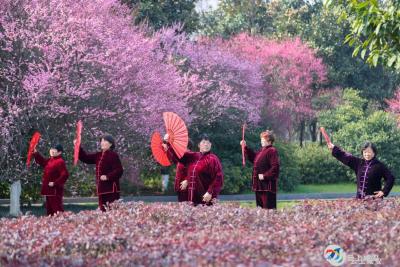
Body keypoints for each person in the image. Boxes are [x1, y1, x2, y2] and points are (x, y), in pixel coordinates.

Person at [163, 134, 223, 205]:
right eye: (203, 142)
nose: (206, 145)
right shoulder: (193, 156)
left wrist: (210, 192)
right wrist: (168, 142)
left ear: (211, 145)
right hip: (191, 195)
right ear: (199, 145)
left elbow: (218, 178)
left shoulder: (213, 159)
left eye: (208, 143)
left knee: (204, 214)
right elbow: (179, 156)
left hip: (205, 195)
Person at [327, 141, 395, 199]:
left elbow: (390, 178)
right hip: (359, 199)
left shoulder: (379, 166)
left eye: (369, 152)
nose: (367, 154)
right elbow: (346, 157)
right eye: (365, 152)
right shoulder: (359, 163)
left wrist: (384, 191)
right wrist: (334, 148)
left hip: (375, 200)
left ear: (374, 153)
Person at [75, 135, 123, 211]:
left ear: (110, 144)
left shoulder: (113, 155)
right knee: (102, 211)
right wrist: (78, 146)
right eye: (101, 141)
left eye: (105, 141)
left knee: (112, 212)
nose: (102, 143)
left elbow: (119, 170)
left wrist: (107, 177)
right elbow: (85, 158)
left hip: (111, 190)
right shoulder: (98, 155)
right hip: (101, 189)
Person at [241, 130, 280, 209]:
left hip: (267, 187)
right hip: (259, 186)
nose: (261, 141)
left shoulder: (272, 151)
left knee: (268, 211)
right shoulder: (262, 151)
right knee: (260, 211)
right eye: (261, 139)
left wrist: (265, 176)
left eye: (263, 139)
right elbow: (254, 158)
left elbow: (275, 167)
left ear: (269, 141)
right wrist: (245, 147)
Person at [33, 144, 69, 216]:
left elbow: (65, 174)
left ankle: (63, 224)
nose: (52, 151)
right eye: (51, 149)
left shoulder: (60, 161)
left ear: (59, 152)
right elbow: (43, 162)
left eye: (54, 150)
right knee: (49, 211)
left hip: (55, 190)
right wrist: (36, 153)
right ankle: (51, 224)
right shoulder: (50, 160)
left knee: (57, 209)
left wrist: (55, 183)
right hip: (49, 190)